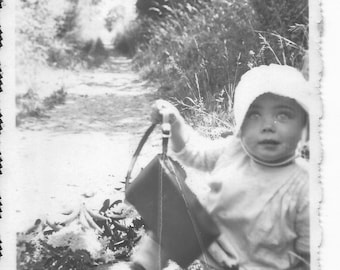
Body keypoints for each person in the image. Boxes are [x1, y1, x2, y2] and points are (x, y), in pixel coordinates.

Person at [115, 64, 316, 270]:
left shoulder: (304, 185)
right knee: (172, 219)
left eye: (282, 116)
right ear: (242, 128)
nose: (267, 126)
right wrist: (176, 124)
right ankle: (142, 266)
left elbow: (310, 254)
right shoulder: (234, 150)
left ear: (305, 127)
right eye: (255, 116)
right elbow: (194, 153)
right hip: (211, 247)